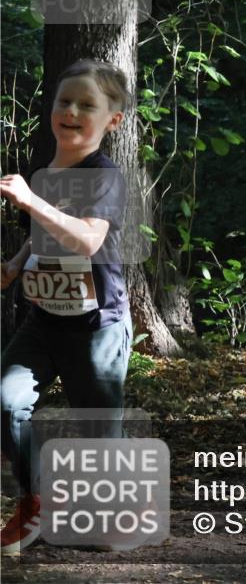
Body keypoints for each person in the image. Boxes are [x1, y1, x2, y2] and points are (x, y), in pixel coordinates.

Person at [0, 59, 133, 555]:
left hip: (98, 327)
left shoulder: (105, 176)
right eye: (64, 101)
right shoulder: (46, 174)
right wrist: (14, 265)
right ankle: (36, 503)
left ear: (112, 121)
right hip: (42, 320)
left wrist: (32, 201)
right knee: (5, 403)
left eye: (86, 105)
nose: (71, 111)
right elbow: (44, 237)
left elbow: (87, 240)